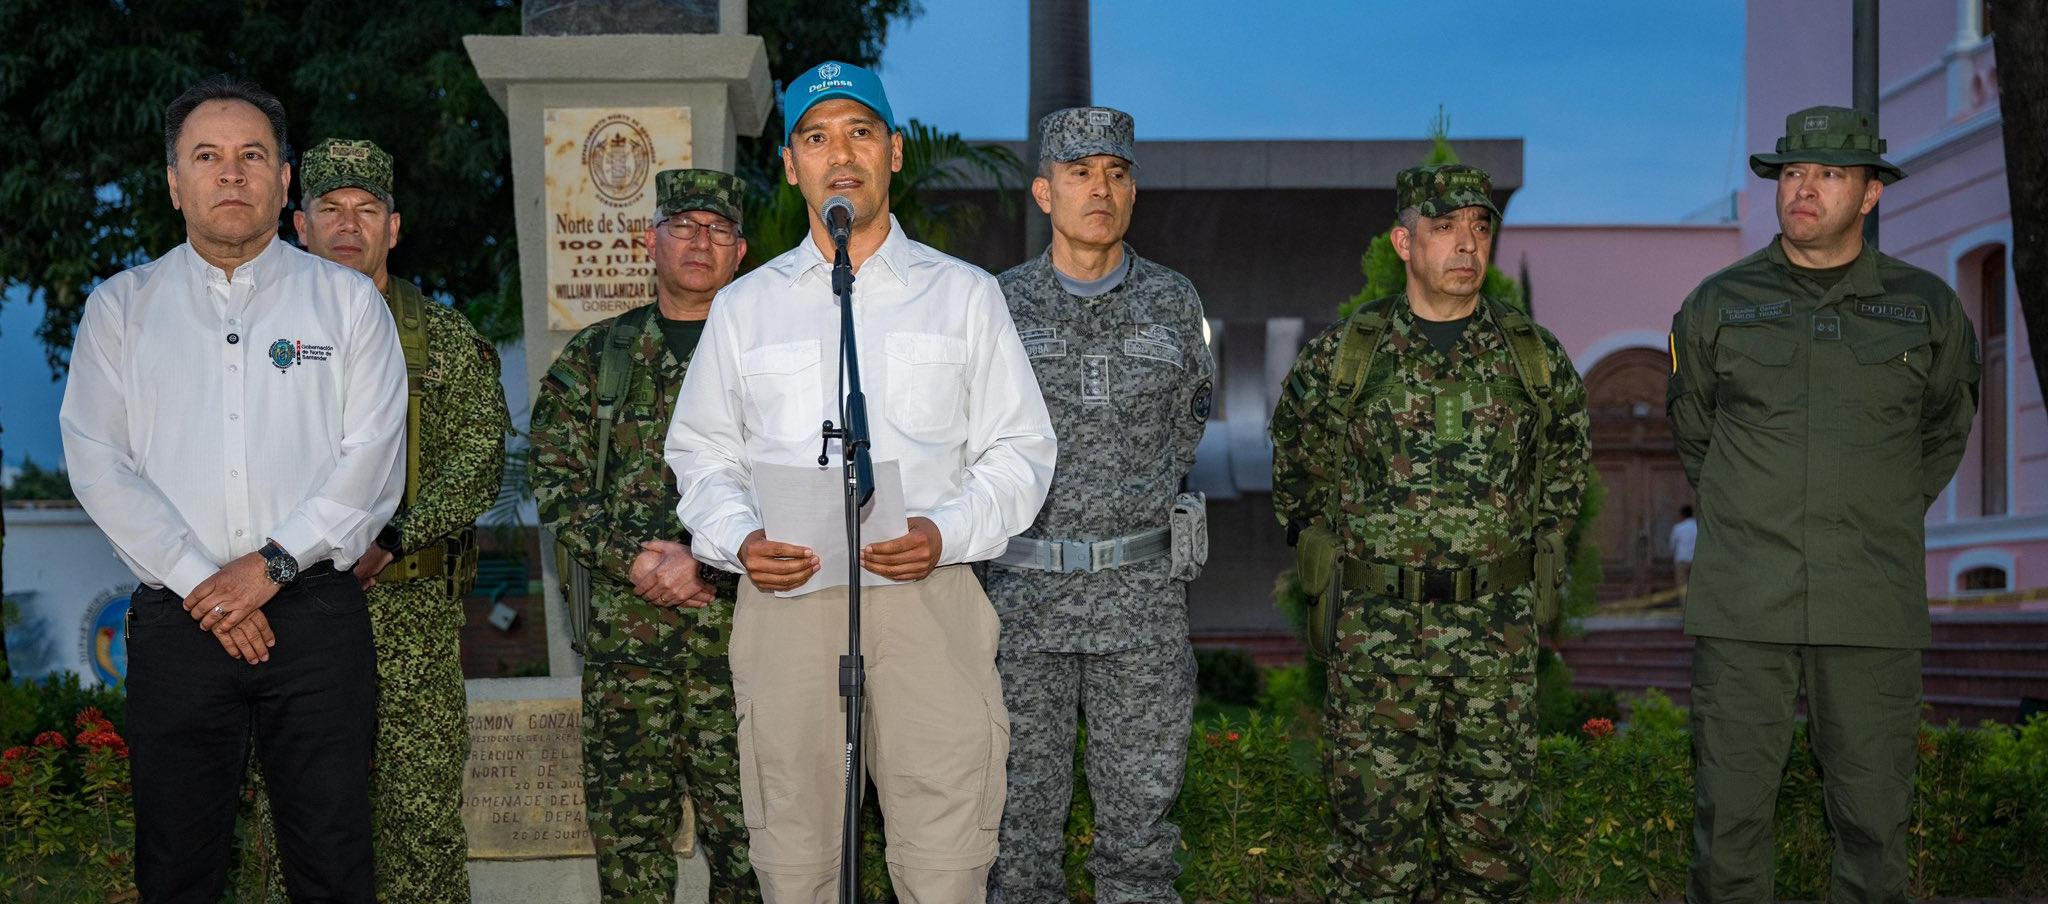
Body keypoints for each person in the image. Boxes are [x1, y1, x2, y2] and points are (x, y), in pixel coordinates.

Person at [664, 60, 1057, 903]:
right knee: (796, 862)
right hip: (788, 601)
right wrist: (740, 540)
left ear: (895, 152)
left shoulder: (964, 296)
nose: (839, 154)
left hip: (928, 598)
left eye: (859, 133)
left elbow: (1021, 450)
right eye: (815, 137)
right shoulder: (746, 308)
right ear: (790, 165)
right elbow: (701, 454)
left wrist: (946, 532)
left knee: (946, 866)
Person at [59, 74, 405, 902]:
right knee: (177, 865)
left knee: (333, 861)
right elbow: (97, 460)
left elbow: (372, 459)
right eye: (206, 156)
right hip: (178, 622)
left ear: (283, 181)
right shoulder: (122, 309)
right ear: (173, 182)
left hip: (316, 618)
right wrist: (202, 584)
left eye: (252, 156)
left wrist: (270, 567)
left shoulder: (348, 304)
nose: (231, 173)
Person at [1667, 105, 1978, 904]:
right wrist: (1750, 510)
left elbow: (1944, 429)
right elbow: (1696, 431)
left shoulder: (1927, 309)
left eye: (1829, 174)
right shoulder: (1717, 304)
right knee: (1728, 822)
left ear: (1870, 193)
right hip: (1744, 602)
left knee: (1875, 822)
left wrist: (1878, 509)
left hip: (1870, 599)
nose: (1802, 189)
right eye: (1792, 173)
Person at [1270, 163, 1590, 902]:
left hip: (1496, 640)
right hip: (1377, 638)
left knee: (1490, 850)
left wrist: (1531, 558)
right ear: (1404, 243)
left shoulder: (1531, 356)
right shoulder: (1345, 357)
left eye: (1479, 226)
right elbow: (1298, 471)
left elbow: (1565, 472)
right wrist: (1332, 557)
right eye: (1444, 227)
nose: (1467, 244)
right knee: (1374, 852)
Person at [986, 105, 1212, 904]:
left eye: (1116, 173)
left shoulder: (1174, 301)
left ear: (1134, 190)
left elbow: (1187, 426)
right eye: (1079, 173)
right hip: (1023, 604)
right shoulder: (999, 304)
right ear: (1045, 192)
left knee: (1141, 840)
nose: (1101, 190)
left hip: (1140, 601)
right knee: (1016, 839)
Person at [531, 168, 759, 903]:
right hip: (626, 657)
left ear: (741, 251)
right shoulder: (597, 358)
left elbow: (810, 487)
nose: (700, 242)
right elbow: (555, 481)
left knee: (755, 856)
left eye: (718, 230)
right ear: (648, 242)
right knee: (630, 860)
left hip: (744, 649)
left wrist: (710, 567)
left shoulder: (774, 356)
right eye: (683, 226)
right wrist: (633, 560)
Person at [291, 136, 508, 902]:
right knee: (298, 823)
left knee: (421, 828)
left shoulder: (443, 341)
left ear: (394, 226)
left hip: (409, 613)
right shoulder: (267, 341)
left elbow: (480, 456)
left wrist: (391, 536)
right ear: (300, 226)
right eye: (330, 208)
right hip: (290, 613)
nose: (349, 225)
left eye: (367, 209)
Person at [1669, 505, 1697, 589]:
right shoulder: (1698, 527)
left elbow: (1672, 545)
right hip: (1696, 560)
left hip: (1682, 559)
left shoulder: (1678, 528)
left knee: (1682, 587)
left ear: (1682, 515)